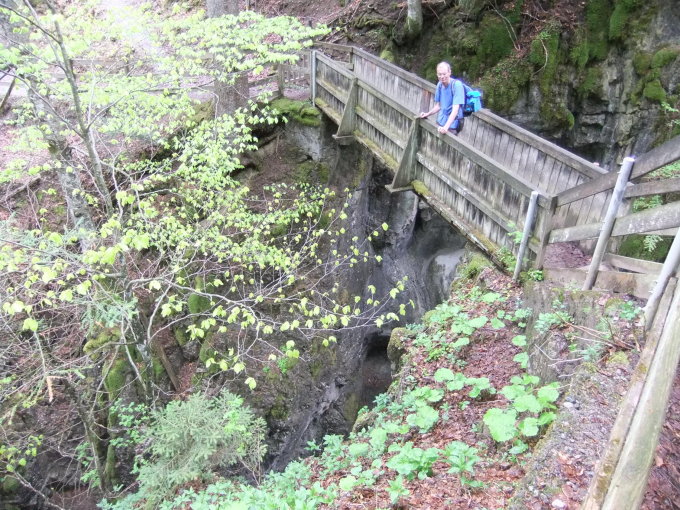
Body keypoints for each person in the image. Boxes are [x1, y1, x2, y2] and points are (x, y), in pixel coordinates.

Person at [419, 62, 465, 134]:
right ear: (437, 74)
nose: (442, 77)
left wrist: (446, 127)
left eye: (444, 74)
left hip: (452, 125)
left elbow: (455, 110)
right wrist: (427, 114)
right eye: (440, 74)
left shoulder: (457, 85)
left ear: (449, 72)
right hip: (440, 121)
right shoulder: (440, 85)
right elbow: (438, 106)